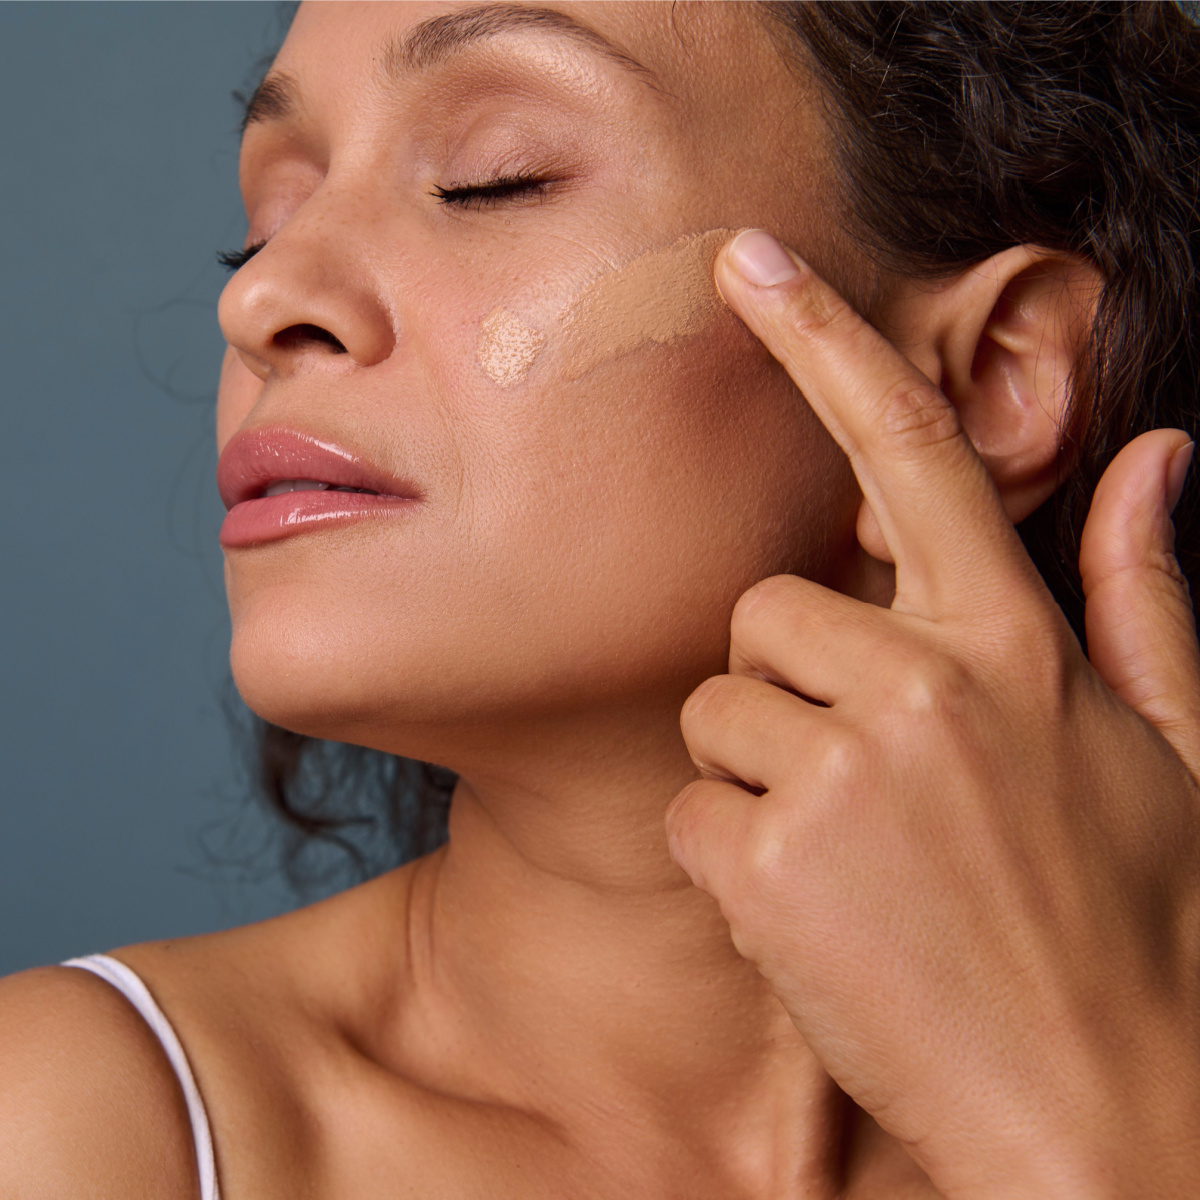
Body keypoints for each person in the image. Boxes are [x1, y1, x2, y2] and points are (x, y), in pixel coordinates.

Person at [3, 2, 1199, 1196]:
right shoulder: (72, 1125)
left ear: (993, 375)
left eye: (491, 179)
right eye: (269, 220)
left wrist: (1103, 1131)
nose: (263, 298)